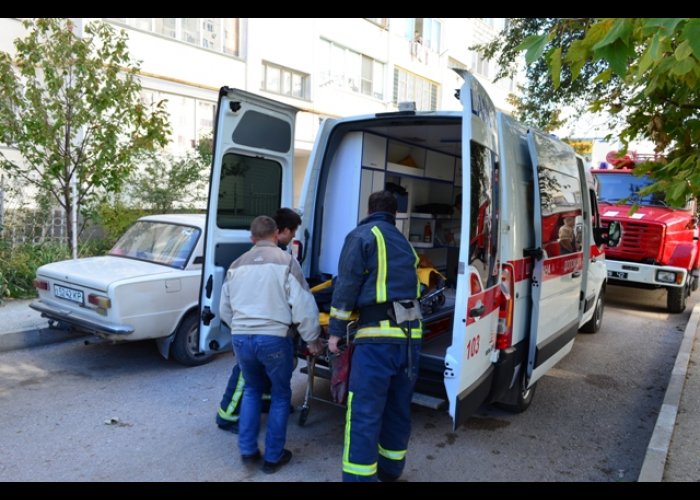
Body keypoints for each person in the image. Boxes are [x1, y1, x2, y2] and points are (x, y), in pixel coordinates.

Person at [328, 190, 422, 482]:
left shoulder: (362, 236)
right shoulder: (405, 243)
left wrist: (335, 332)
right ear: (395, 213)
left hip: (377, 338)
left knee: (365, 412)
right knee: (397, 408)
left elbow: (347, 285)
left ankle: (359, 478)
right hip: (410, 339)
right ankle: (391, 469)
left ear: (369, 209)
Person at [220, 215, 322, 473]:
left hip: (242, 338)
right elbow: (303, 305)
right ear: (276, 234)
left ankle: (248, 451)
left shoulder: (236, 264)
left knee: (252, 391)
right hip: (274, 338)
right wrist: (312, 339)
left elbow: (223, 309)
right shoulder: (286, 261)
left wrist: (240, 330)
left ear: (252, 238)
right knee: (279, 395)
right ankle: (273, 457)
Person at [216, 208, 304, 434]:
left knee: (261, 371)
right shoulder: (271, 258)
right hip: (256, 329)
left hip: (250, 329)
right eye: (292, 232)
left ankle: (266, 400)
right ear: (280, 231)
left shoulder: (272, 255)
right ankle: (227, 414)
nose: (293, 237)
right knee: (244, 374)